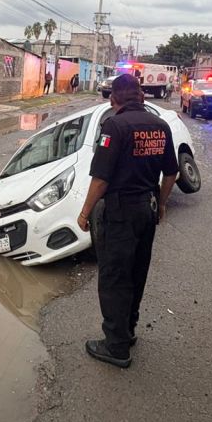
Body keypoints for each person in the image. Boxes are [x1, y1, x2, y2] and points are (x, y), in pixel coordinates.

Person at [76, 73, 179, 368]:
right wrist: (160, 204)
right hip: (146, 209)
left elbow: (101, 179)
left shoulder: (114, 126)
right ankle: (128, 329)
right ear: (142, 96)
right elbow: (171, 173)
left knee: (114, 277)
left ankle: (116, 346)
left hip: (120, 213)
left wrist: (85, 213)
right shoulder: (160, 126)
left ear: (114, 99)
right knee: (136, 272)